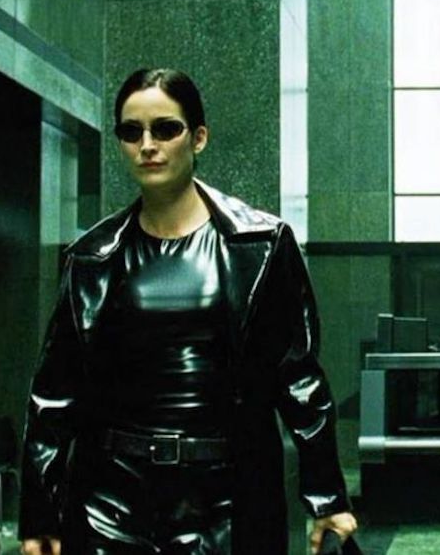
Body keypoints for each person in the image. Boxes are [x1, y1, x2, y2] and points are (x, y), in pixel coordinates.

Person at [18, 68, 357, 554]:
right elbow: (54, 394)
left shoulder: (260, 246)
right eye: (131, 132)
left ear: (198, 137)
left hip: (227, 501)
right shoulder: (92, 256)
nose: (147, 145)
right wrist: (40, 514)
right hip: (110, 501)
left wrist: (327, 499)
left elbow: (298, 378)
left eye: (165, 129)